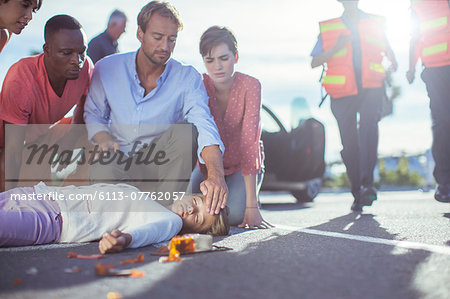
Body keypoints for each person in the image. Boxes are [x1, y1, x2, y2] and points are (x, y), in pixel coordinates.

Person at [84, 1, 228, 215]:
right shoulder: (107, 68)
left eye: (172, 39)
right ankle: (124, 215)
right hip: (118, 157)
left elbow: (203, 123)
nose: (165, 47)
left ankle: (164, 213)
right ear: (140, 34)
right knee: (102, 166)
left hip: (160, 163)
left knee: (187, 131)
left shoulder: (187, 77)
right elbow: (93, 113)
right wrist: (104, 138)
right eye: (158, 37)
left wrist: (216, 174)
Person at [310, 0, 398, 211]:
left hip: (371, 88)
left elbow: (392, 59)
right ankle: (357, 191)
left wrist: (391, 68)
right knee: (349, 144)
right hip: (342, 93)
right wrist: (337, 48)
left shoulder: (376, 23)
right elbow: (314, 62)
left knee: (368, 130)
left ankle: (367, 185)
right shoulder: (330, 28)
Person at [188, 26, 272, 229]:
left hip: (242, 166)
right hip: (208, 166)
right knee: (192, 211)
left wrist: (251, 207)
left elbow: (249, 143)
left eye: (223, 58)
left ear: (235, 57)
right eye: (209, 60)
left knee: (233, 215)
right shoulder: (198, 84)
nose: (217, 66)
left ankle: (250, 197)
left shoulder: (251, 85)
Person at [0, 15, 93, 192]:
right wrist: (8, 201)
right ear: (47, 50)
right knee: (24, 199)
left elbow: (84, 105)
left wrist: (71, 139)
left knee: (98, 128)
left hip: (43, 134)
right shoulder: (21, 79)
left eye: (82, 51)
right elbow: (12, 151)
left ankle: (82, 202)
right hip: (10, 141)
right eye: (67, 53)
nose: (77, 60)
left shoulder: (86, 67)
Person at [0, 182, 230, 253]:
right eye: (197, 203)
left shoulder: (171, 221)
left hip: (54, 219)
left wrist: (125, 239)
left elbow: (152, 232)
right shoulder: (151, 201)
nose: (190, 210)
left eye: (197, 218)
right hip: (39, 194)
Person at [406, 0, 450, 203]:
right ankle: (445, 183)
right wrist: (411, 67)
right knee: (442, 122)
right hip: (435, 70)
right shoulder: (419, 4)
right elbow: (415, 35)